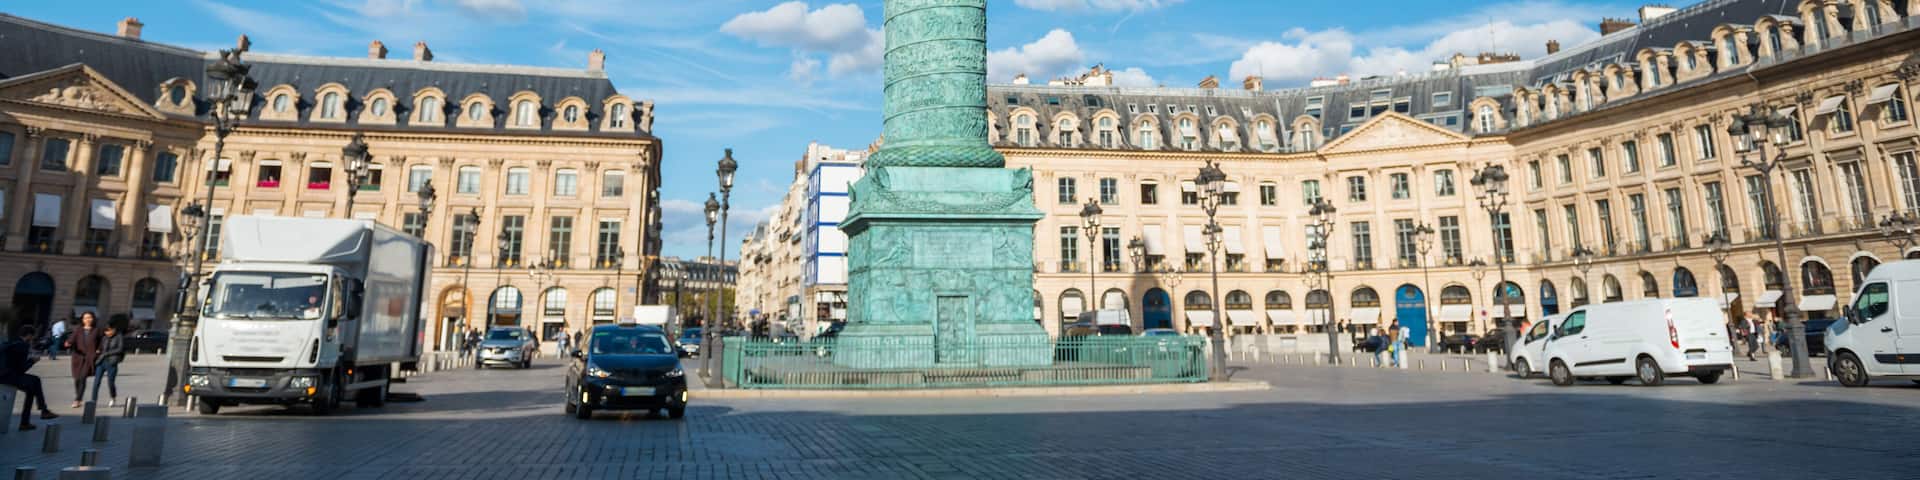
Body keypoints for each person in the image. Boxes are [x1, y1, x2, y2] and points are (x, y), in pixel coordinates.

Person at [2, 325, 60, 430]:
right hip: (7, 376)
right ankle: (43, 411)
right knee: (35, 380)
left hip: (5, 374)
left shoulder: (12, 342)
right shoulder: (23, 346)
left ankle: (26, 422)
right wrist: (32, 361)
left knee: (31, 389)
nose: (32, 340)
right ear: (29, 335)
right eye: (33, 337)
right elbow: (21, 369)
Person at [64, 312, 103, 408]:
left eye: (90, 317)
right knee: (77, 379)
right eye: (85, 318)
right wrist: (68, 343)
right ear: (82, 319)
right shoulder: (78, 329)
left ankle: (77, 399)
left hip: (89, 358)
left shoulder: (96, 330)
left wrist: (98, 350)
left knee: (83, 377)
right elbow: (71, 340)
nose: (88, 319)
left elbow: (101, 342)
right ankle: (79, 397)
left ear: (93, 319)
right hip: (77, 357)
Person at [91, 325, 124, 406]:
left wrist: (106, 353)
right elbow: (101, 348)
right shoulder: (104, 338)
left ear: (114, 330)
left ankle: (113, 398)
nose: (107, 333)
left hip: (112, 362)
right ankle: (93, 400)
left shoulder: (119, 337)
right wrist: (99, 351)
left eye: (109, 330)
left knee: (110, 382)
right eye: (106, 331)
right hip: (101, 362)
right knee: (96, 382)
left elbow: (120, 349)